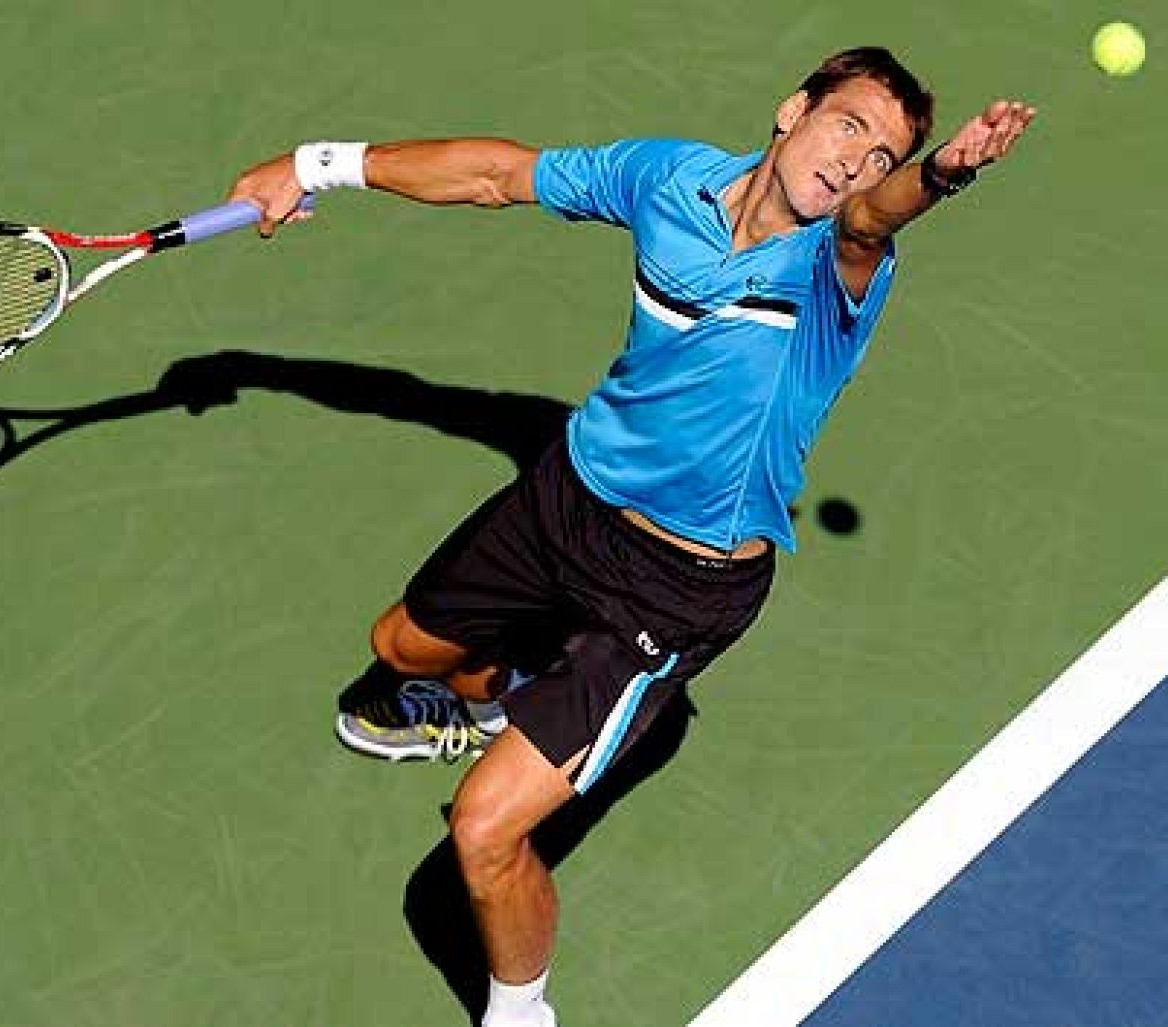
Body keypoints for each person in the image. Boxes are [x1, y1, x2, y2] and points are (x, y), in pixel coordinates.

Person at [227, 47, 1035, 1027]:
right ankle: (496, 703)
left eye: (884, 154)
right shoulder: (669, 179)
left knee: (484, 833)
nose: (856, 162)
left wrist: (944, 171)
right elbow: (499, 175)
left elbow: (877, 214)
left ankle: (520, 1011)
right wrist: (314, 165)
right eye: (847, 125)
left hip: (675, 587)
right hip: (565, 499)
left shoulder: (835, 267)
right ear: (793, 110)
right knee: (397, 651)